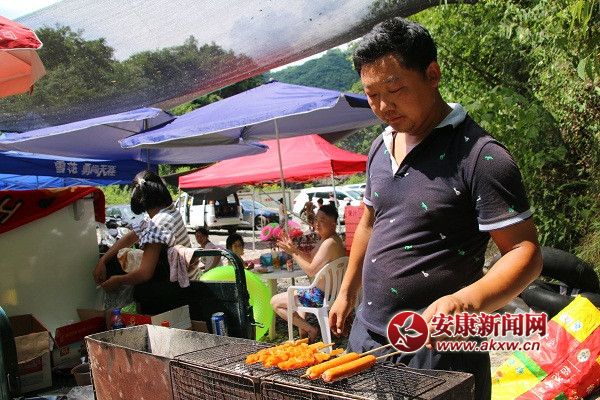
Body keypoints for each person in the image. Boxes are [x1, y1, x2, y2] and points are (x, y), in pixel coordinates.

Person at [327, 18, 542, 399]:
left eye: (395, 90)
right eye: (372, 95)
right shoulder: (379, 147)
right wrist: (346, 291)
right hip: (368, 335)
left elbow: (524, 252)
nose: (383, 107)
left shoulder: (480, 156)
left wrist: (465, 302)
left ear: (432, 74)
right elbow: (370, 223)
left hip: (438, 347)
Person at [93, 170, 191, 292]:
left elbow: (144, 274)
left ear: (138, 199)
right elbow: (131, 236)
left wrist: (118, 280)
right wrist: (103, 260)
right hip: (186, 278)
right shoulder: (168, 211)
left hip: (177, 287)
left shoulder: (158, 224)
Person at [272, 204, 346, 342]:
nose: (317, 223)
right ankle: (304, 332)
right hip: (329, 294)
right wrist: (294, 249)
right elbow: (311, 258)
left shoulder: (329, 243)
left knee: (275, 302)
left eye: (322, 220)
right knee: (295, 302)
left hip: (320, 296)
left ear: (333, 224)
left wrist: (293, 253)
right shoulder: (328, 239)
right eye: (316, 219)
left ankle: (311, 329)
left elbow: (311, 270)